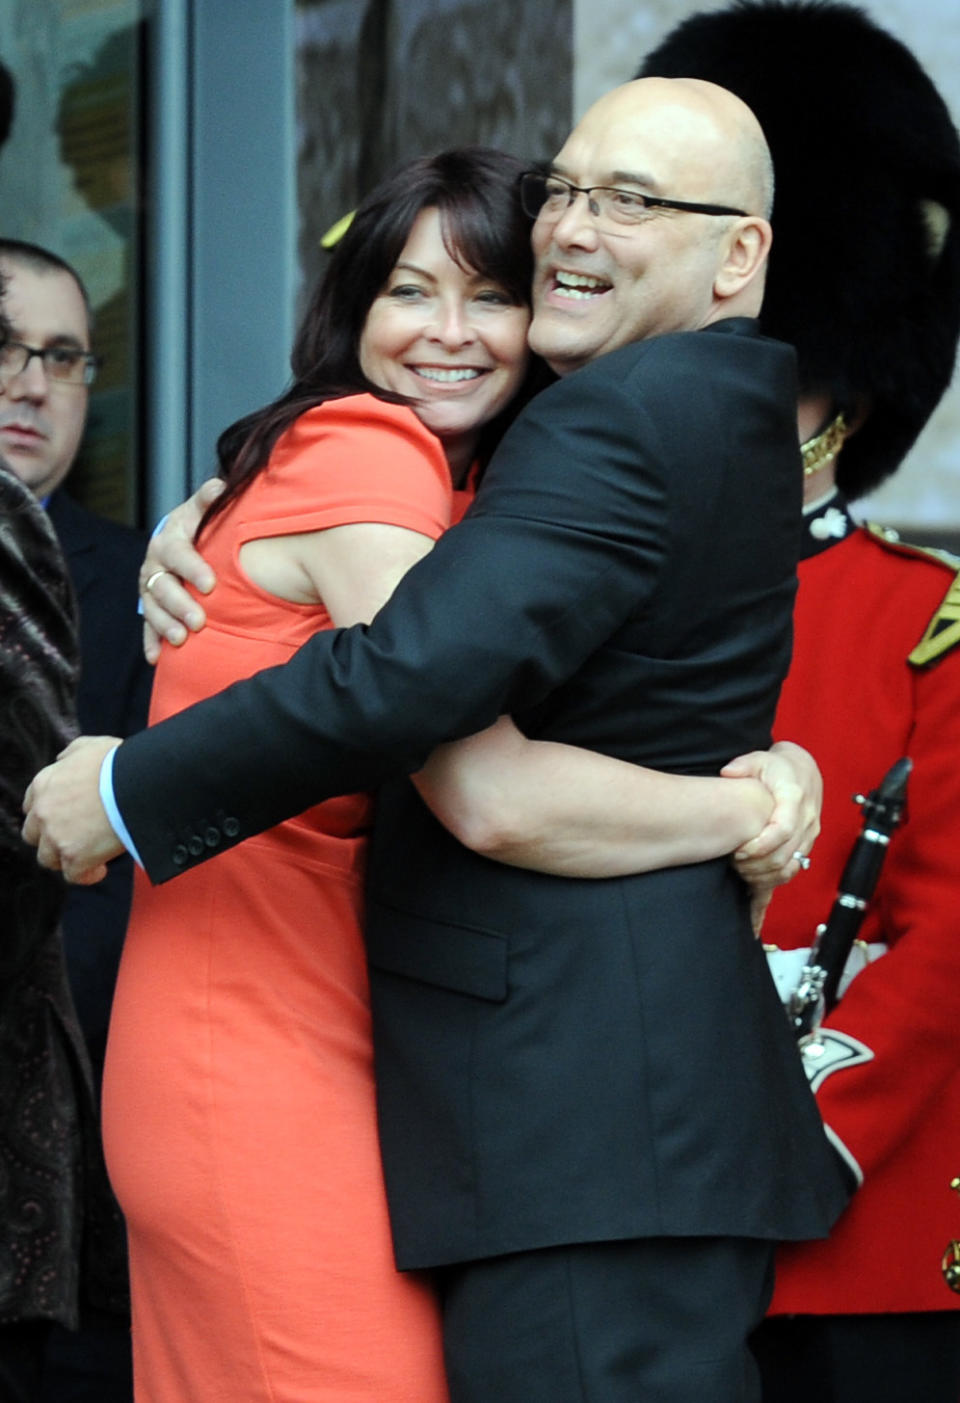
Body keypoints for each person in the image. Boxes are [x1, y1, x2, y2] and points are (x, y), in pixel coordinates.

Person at [25, 81, 852, 1403]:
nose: (578, 229)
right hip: (417, 1067)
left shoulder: (611, 418)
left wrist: (125, 785)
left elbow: (442, 723)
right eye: (569, 195)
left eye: (629, 201)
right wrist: (746, 804)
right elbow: (469, 720)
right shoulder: (670, 411)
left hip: (568, 1107)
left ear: (739, 253)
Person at [637, 4, 960, 1400]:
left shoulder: (923, 622)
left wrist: (804, 1127)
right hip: (613, 1210)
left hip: (849, 1224)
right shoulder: (588, 585)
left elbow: (946, 931)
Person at [0, 238, 145, 1401]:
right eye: (2, 348)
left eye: (62, 356)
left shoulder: (159, 584)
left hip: (82, 1114)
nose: (31, 383)